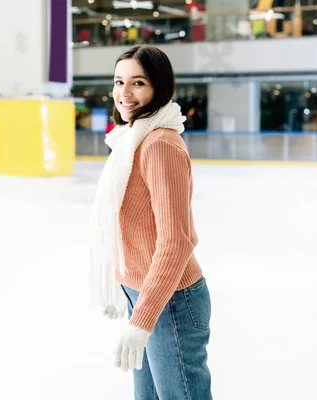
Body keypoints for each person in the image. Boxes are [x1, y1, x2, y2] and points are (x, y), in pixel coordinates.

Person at [89, 45, 212, 399]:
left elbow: (176, 240)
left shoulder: (159, 145)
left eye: (138, 83)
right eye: (119, 82)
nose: (124, 94)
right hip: (142, 293)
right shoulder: (130, 139)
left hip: (170, 300)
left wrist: (142, 321)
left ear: (159, 87)